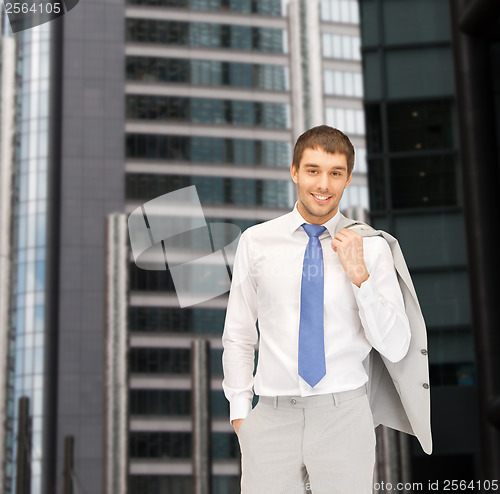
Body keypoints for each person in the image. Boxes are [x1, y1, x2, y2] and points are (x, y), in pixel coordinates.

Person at [222, 125, 431, 494]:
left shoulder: (373, 249)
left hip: (344, 415)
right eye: (313, 170)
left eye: (335, 173)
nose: (323, 184)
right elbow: (239, 333)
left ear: (347, 179)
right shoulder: (256, 242)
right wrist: (241, 415)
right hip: (270, 415)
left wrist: (360, 276)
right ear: (294, 172)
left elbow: (397, 346)